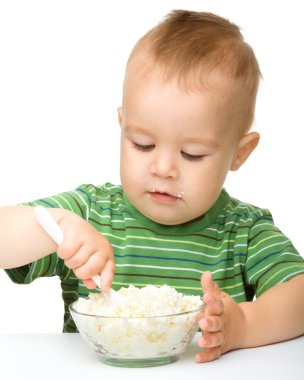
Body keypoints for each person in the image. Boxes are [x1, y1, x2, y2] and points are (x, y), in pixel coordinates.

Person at [1, 10, 304, 363]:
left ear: (239, 153)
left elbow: (299, 295)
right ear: (122, 125)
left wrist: (244, 325)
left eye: (192, 154)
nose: (163, 168)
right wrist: (55, 228)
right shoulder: (92, 213)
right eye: (143, 144)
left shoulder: (243, 232)